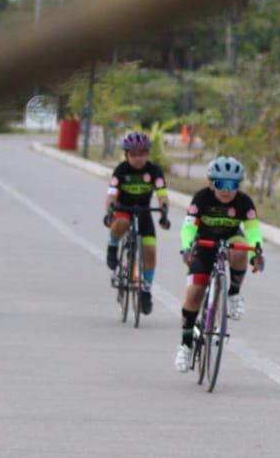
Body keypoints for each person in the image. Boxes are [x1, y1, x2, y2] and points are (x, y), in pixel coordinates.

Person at [175, 156, 264, 372]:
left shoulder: (244, 202)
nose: (227, 191)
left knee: (241, 247)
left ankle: (233, 294)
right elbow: (188, 228)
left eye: (233, 185)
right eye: (221, 184)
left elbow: (252, 230)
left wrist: (257, 249)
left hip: (230, 239)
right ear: (212, 184)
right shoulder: (201, 199)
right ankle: (185, 346)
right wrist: (187, 246)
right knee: (195, 293)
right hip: (204, 244)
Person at [102, 130, 171, 314]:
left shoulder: (155, 171)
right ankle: (113, 246)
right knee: (122, 224)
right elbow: (111, 195)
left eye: (142, 154)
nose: (138, 159)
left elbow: (162, 196)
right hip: (124, 208)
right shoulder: (121, 170)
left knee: (150, 250)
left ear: (148, 154)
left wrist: (164, 214)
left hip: (144, 210)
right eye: (133, 154)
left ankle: (146, 291)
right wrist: (109, 213)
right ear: (126, 155)